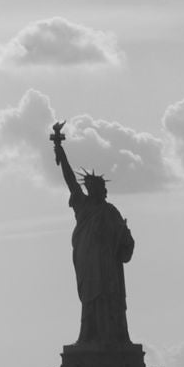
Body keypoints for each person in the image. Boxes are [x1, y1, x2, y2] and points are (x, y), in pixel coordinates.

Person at [50, 120, 134, 348]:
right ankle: (88, 335)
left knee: (111, 300)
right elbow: (69, 179)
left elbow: (125, 244)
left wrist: (124, 235)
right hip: (89, 263)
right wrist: (58, 146)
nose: (102, 191)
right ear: (91, 190)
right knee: (91, 300)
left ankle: (115, 337)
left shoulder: (111, 211)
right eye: (98, 188)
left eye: (103, 188)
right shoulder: (83, 206)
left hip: (108, 266)